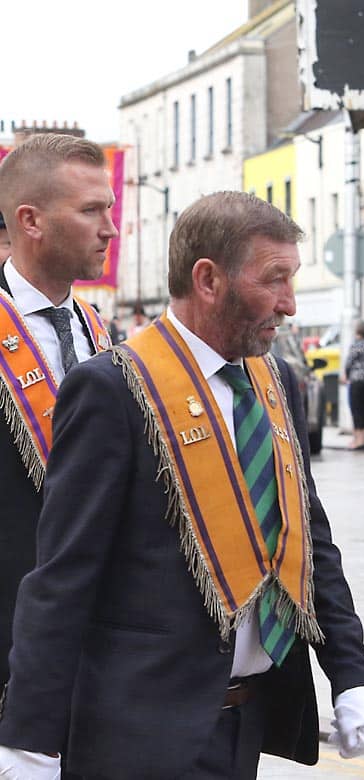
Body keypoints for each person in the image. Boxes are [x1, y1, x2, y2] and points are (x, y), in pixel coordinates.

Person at [0, 191, 364, 780]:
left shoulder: (278, 379)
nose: (289, 303)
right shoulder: (112, 388)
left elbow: (309, 538)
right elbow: (63, 575)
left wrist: (352, 673)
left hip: (246, 721)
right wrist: (30, 738)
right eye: (273, 279)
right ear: (208, 280)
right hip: (137, 733)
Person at [0, 133, 118, 776]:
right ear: (31, 220)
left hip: (100, 664)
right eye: (91, 211)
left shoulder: (100, 332)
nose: (112, 228)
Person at [342, 319, 364, 451]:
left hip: (357, 381)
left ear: (357, 331)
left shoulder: (357, 345)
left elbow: (349, 361)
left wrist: (346, 374)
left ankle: (357, 441)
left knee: (356, 410)